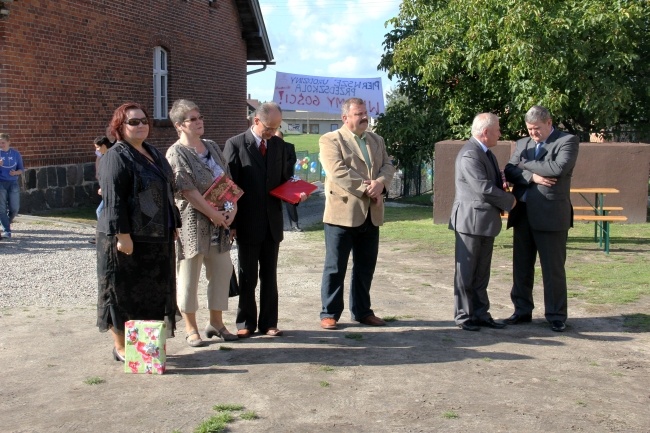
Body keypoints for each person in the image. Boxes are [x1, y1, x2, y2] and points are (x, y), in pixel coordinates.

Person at [96, 102, 182, 362]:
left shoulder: (152, 152)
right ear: (120, 126)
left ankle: (147, 347)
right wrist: (123, 236)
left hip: (156, 237)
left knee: (152, 292)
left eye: (144, 120)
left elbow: (166, 192)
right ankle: (121, 347)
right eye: (133, 121)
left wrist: (173, 224)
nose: (141, 125)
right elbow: (114, 201)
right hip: (127, 238)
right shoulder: (116, 156)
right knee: (122, 292)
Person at [318, 97, 396, 330]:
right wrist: (367, 188)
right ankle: (329, 313)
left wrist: (381, 183)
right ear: (345, 118)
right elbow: (337, 171)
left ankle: (362, 311)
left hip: (371, 213)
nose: (365, 117)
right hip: (342, 214)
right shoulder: (330, 140)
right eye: (359, 114)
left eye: (366, 113)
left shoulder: (376, 140)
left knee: (365, 266)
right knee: (335, 267)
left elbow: (388, 165)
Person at [165, 99, 238, 346]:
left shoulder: (212, 146)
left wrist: (232, 209)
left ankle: (216, 322)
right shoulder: (176, 153)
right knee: (188, 276)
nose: (199, 123)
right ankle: (190, 327)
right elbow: (188, 191)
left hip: (221, 222)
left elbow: (227, 181)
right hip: (193, 224)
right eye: (192, 119)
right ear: (179, 126)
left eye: (200, 117)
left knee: (221, 272)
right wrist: (213, 213)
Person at [504, 105, 579, 332]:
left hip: (551, 215)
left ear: (549, 122)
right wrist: (533, 176)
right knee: (522, 267)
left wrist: (524, 166)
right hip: (523, 213)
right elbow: (508, 170)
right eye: (529, 129)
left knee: (553, 269)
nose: (533, 133)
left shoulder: (567, 141)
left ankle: (556, 315)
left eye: (537, 128)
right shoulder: (522, 143)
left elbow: (557, 168)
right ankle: (522, 310)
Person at [224, 102, 296, 338]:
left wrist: (296, 194)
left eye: (277, 127)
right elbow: (229, 187)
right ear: (256, 121)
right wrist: (232, 224)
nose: (272, 132)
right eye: (269, 127)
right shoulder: (235, 144)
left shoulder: (279, 146)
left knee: (269, 274)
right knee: (247, 276)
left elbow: (284, 181)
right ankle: (245, 322)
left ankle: (268, 323)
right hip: (246, 221)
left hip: (272, 222)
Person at [448, 113, 516, 331]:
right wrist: (510, 201)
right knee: (466, 272)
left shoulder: (486, 153)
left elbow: (491, 182)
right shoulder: (470, 154)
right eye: (497, 129)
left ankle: (480, 313)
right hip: (470, 221)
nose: (500, 133)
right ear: (485, 132)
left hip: (485, 221)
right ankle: (463, 316)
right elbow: (482, 188)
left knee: (481, 272)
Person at [274, 130, 302, 232]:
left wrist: (282, 167)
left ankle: (295, 225)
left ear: (282, 137)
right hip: (274, 181)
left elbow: (293, 159)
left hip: (287, 179)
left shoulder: (289, 146)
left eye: (278, 137)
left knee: (291, 203)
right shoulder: (270, 147)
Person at [89, 135, 115, 244]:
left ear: (103, 146)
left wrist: (104, 188)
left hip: (111, 192)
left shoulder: (111, 157)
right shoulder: (106, 156)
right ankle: (105, 234)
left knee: (100, 211)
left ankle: (105, 234)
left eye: (97, 147)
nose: (96, 150)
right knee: (102, 211)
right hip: (108, 190)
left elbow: (111, 176)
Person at [0, 133, 25, 239]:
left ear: (9, 142)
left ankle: (5, 223)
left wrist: (16, 173)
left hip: (13, 183)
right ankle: (7, 230)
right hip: (1, 183)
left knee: (15, 208)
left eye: (3, 142)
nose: (1, 145)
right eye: (0, 143)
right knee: (1, 209)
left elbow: (21, 169)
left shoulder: (16, 154)